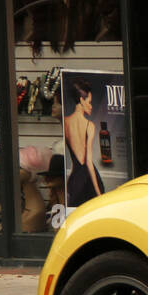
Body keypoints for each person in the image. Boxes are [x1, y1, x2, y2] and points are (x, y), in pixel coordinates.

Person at [64, 78, 104, 207]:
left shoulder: (65, 122)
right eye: (89, 102)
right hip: (88, 181)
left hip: (74, 180)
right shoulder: (89, 125)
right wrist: (100, 195)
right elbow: (88, 162)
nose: (91, 106)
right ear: (81, 100)